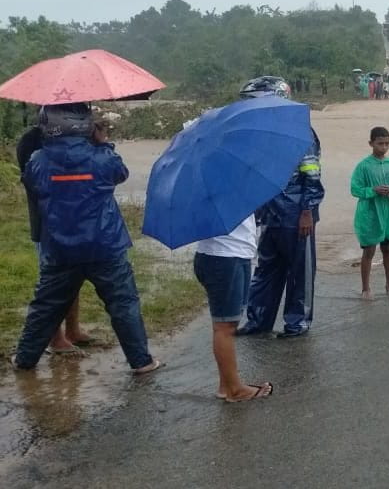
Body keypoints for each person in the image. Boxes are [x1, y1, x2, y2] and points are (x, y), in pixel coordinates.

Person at [12, 104, 160, 374]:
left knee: (45, 306)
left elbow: (32, 182)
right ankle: (141, 361)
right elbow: (120, 173)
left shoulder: (38, 160)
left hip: (60, 247)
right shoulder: (103, 158)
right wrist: (103, 144)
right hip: (105, 244)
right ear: (86, 125)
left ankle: (25, 359)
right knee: (123, 303)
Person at [237, 77, 325, 338]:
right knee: (265, 269)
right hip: (270, 213)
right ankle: (258, 319)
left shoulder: (299, 131)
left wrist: (307, 211)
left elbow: (312, 174)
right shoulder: (259, 134)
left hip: (297, 213)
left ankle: (297, 323)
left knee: (300, 271)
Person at [16, 121, 92, 354]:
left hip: (74, 220)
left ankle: (72, 329)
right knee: (51, 284)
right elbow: (36, 181)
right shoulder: (32, 141)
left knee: (74, 278)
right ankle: (55, 338)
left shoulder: (76, 137)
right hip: (47, 224)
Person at [195, 212, 273, 402]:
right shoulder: (216, 186)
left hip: (236, 253)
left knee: (228, 324)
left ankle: (226, 384)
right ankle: (234, 390)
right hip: (224, 257)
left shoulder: (234, 185)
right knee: (225, 327)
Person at [351, 127, 389, 298]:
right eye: (380, 144)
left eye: (387, 144)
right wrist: (373, 190)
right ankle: (366, 289)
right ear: (371, 143)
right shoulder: (363, 166)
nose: (384, 147)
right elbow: (355, 189)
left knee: (387, 248)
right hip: (370, 214)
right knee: (369, 250)